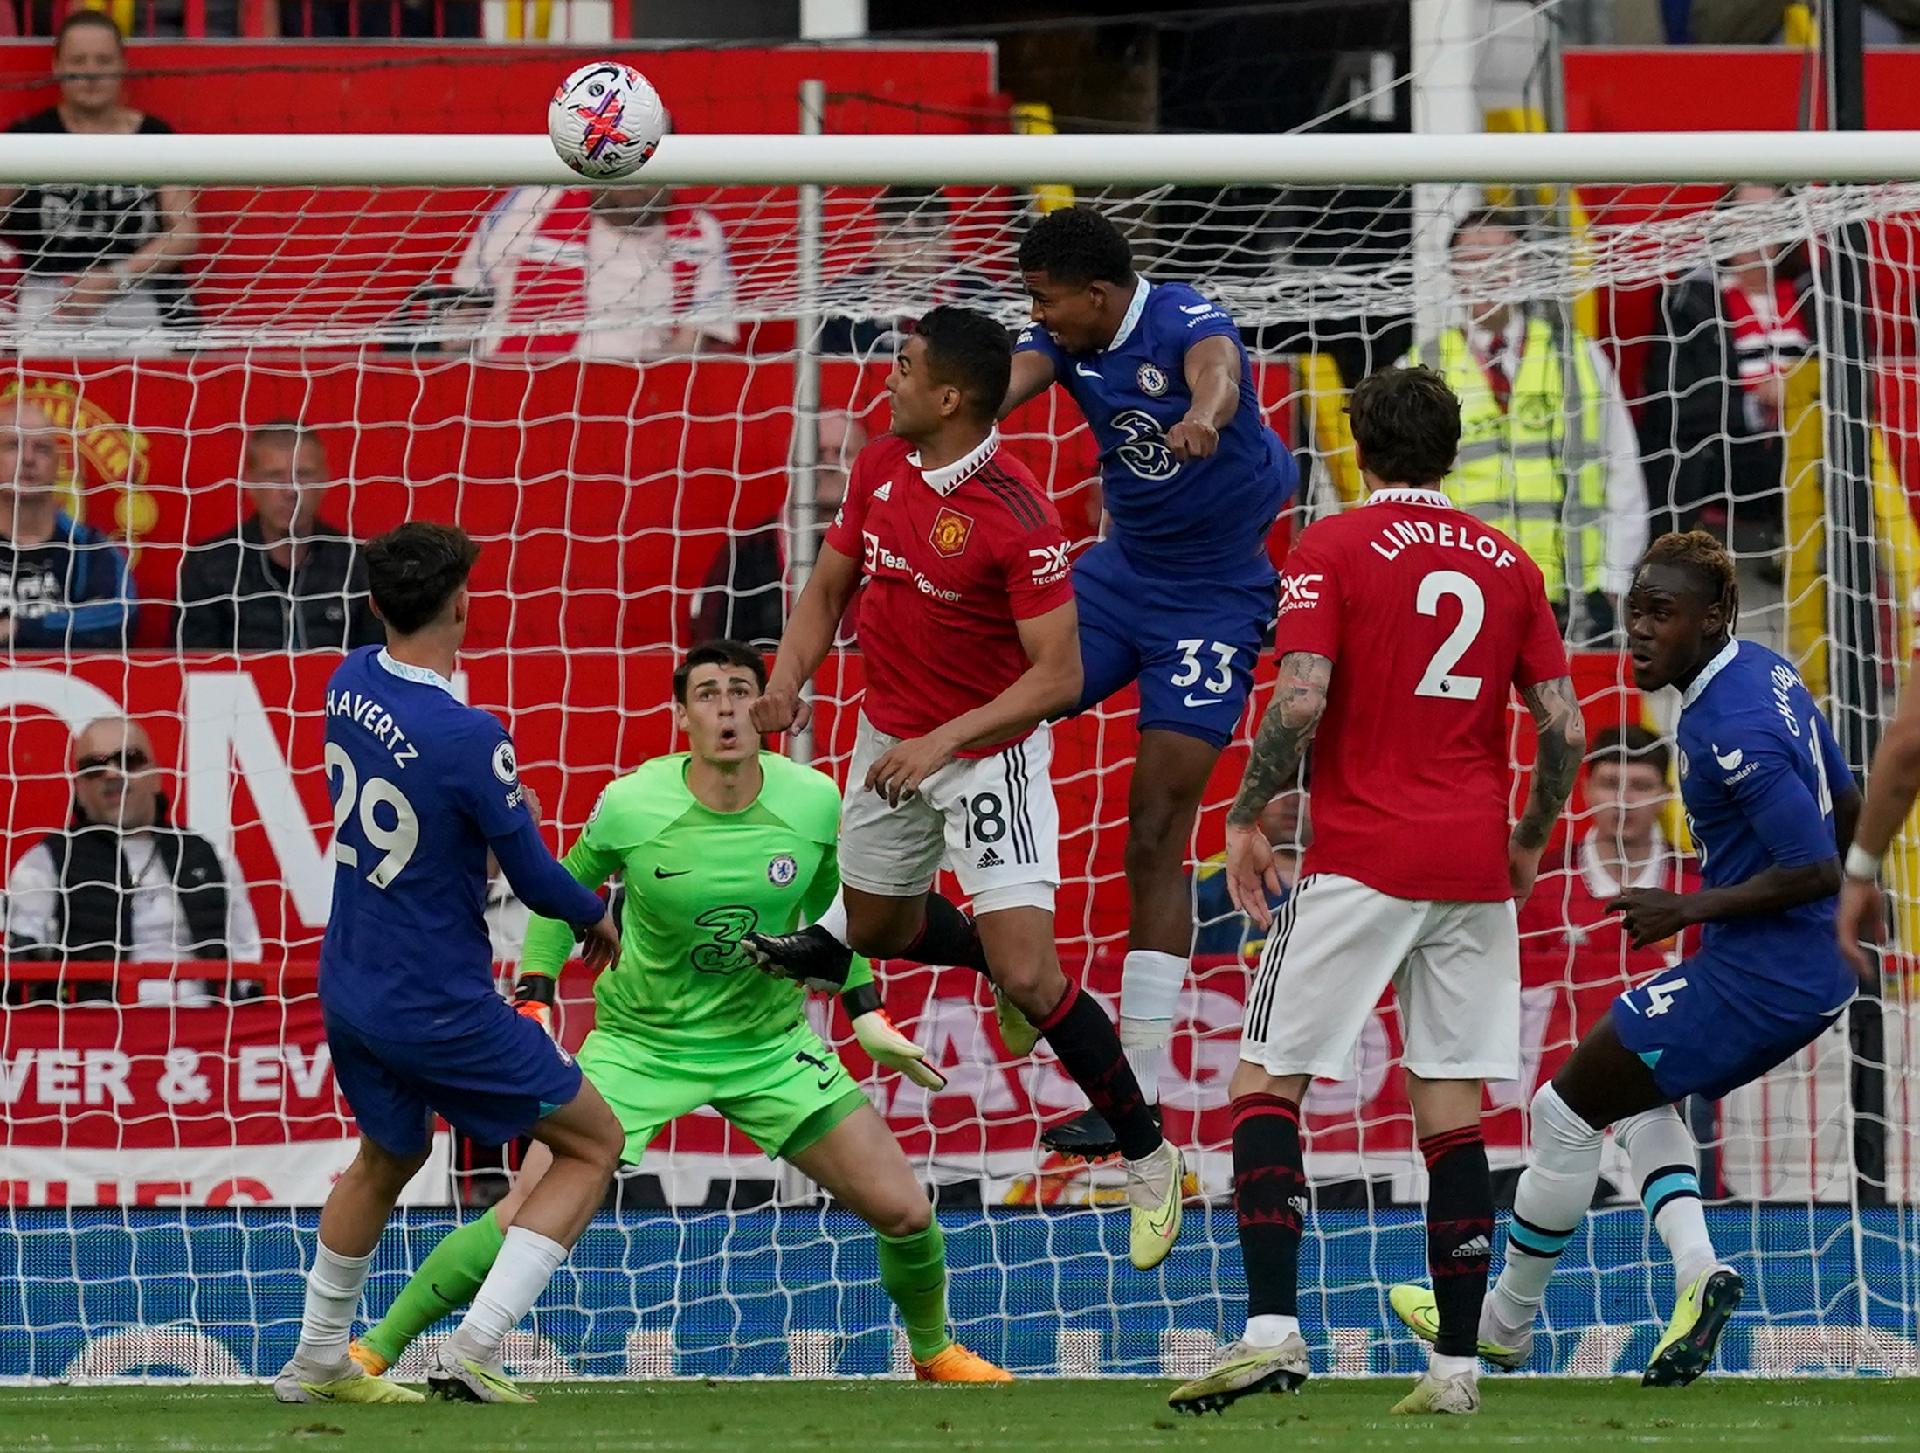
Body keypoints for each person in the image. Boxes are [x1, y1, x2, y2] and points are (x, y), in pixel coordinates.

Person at [348, 640, 1006, 1384]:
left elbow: (841, 912)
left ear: (768, 710)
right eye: (707, 693)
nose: (725, 706)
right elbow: (560, 891)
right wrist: (534, 991)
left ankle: (932, 1351)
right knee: (519, 1211)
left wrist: (864, 1008)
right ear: (680, 714)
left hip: (768, 1045)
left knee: (907, 1211)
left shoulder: (816, 801)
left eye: (740, 690)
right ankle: (376, 1346)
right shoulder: (634, 803)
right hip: (639, 1045)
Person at [1168, 366, 1583, 1418]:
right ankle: (1454, 1368)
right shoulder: (1510, 561)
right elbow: (1567, 726)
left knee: (1264, 1083)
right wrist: (1529, 837)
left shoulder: (1334, 546)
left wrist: (1251, 810)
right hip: (1470, 863)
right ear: (1452, 450)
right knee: (1450, 1109)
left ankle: (1270, 1332)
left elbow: (1301, 697)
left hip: (1362, 857)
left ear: (1360, 448)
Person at [744, 305, 1187, 1270]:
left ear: (949, 396)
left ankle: (1150, 1153)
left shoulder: (1019, 515)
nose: (885, 383)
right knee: (877, 932)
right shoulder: (876, 466)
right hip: (888, 741)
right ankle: (991, 958)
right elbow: (827, 590)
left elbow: (1058, 677)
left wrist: (946, 740)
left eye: (901, 369)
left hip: (987, 753)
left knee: (1035, 971)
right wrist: (786, 683)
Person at [1392, 531, 1860, 1391]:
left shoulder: (1733, 727)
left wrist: (1688, 906)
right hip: (1784, 961)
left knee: (1562, 1111)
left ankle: (1503, 1325)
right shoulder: (1764, 672)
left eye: (1663, 615)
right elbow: (1849, 797)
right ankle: (1698, 1273)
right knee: (1638, 1097)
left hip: (1767, 972)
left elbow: (1815, 864)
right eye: (1637, 611)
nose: (1639, 631)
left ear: (1716, 615)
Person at [275, 521, 622, 1406]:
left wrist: (488, 826)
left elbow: (437, 823)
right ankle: (475, 1345)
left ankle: (317, 1359)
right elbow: (540, 879)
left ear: (374, 606)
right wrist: (597, 913)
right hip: (436, 1001)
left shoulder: (346, 679)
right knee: (594, 1141)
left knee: (386, 1156)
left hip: (351, 979)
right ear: (463, 604)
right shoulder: (471, 734)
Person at [1000, 204, 1301, 1159]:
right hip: (1122, 575)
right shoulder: (1060, 337)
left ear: (1099, 294)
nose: (1039, 317)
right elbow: (1012, 379)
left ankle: (1133, 1087)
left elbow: (1218, 375)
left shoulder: (1183, 316)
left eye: (1049, 302)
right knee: (984, 710)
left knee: (1155, 827)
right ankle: (1008, 949)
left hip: (1215, 599)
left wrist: (1206, 420)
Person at [1406, 207, 1648, 643]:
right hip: (1459, 600)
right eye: (1472, 261)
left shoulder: (1579, 357)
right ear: (1452, 274)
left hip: (1575, 602)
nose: (1488, 274)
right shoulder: (1419, 369)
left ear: (1524, 270)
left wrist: (1615, 579)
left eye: (1501, 260)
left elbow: (1622, 467)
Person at [2, 715, 260, 1006]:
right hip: (92, 1033)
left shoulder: (210, 857)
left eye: (129, 759)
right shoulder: (45, 863)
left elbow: (248, 964)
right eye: (94, 768)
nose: (112, 774)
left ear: (156, 777)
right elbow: (22, 968)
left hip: (202, 1033)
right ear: (80, 788)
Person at [0, 12, 198, 349]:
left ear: (122, 65)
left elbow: (184, 234)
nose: (91, 71)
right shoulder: (28, 137)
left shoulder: (155, 136)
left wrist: (112, 278)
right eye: (79, 60)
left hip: (137, 290)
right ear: (57, 65)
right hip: (50, 294)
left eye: (102, 60)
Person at [1639, 183, 1812, 541]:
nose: (1754, 231)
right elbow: (1669, 404)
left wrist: (1800, 397)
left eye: (1769, 219)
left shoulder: (1815, 297)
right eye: (1742, 218)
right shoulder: (1688, 299)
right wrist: (1754, 404)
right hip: (1716, 487)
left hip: (1807, 483)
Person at [452, 182, 737, 360]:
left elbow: (695, 344)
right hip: (518, 387)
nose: (631, 183)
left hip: (641, 405)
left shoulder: (700, 231)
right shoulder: (533, 203)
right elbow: (466, 304)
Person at [176, 422, 382, 651]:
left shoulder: (359, 564)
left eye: (303, 475)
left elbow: (379, 665)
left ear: (324, 481)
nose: (290, 491)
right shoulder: (209, 566)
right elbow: (193, 667)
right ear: (250, 484)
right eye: (274, 476)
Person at [1519, 723, 1699, 973]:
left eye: (1641, 786)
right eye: (1610, 783)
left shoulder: (1699, 884)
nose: (1624, 801)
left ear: (1666, 796)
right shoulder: (1542, 883)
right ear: (1586, 789)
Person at [687, 413, 868, 649]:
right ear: (790, 467)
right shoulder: (746, 553)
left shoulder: (896, 546)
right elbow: (713, 649)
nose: (829, 464)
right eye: (817, 453)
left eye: (842, 453)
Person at [1, 396, 134, 650]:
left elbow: (121, 616)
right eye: (13, 446)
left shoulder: (91, 551)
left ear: (57, 465)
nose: (28, 459)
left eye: (42, 448)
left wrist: (17, 628)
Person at [820, 186, 996, 358]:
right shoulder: (840, 307)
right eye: (899, 235)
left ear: (947, 239)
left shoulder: (986, 299)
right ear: (878, 240)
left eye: (926, 235)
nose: (913, 249)